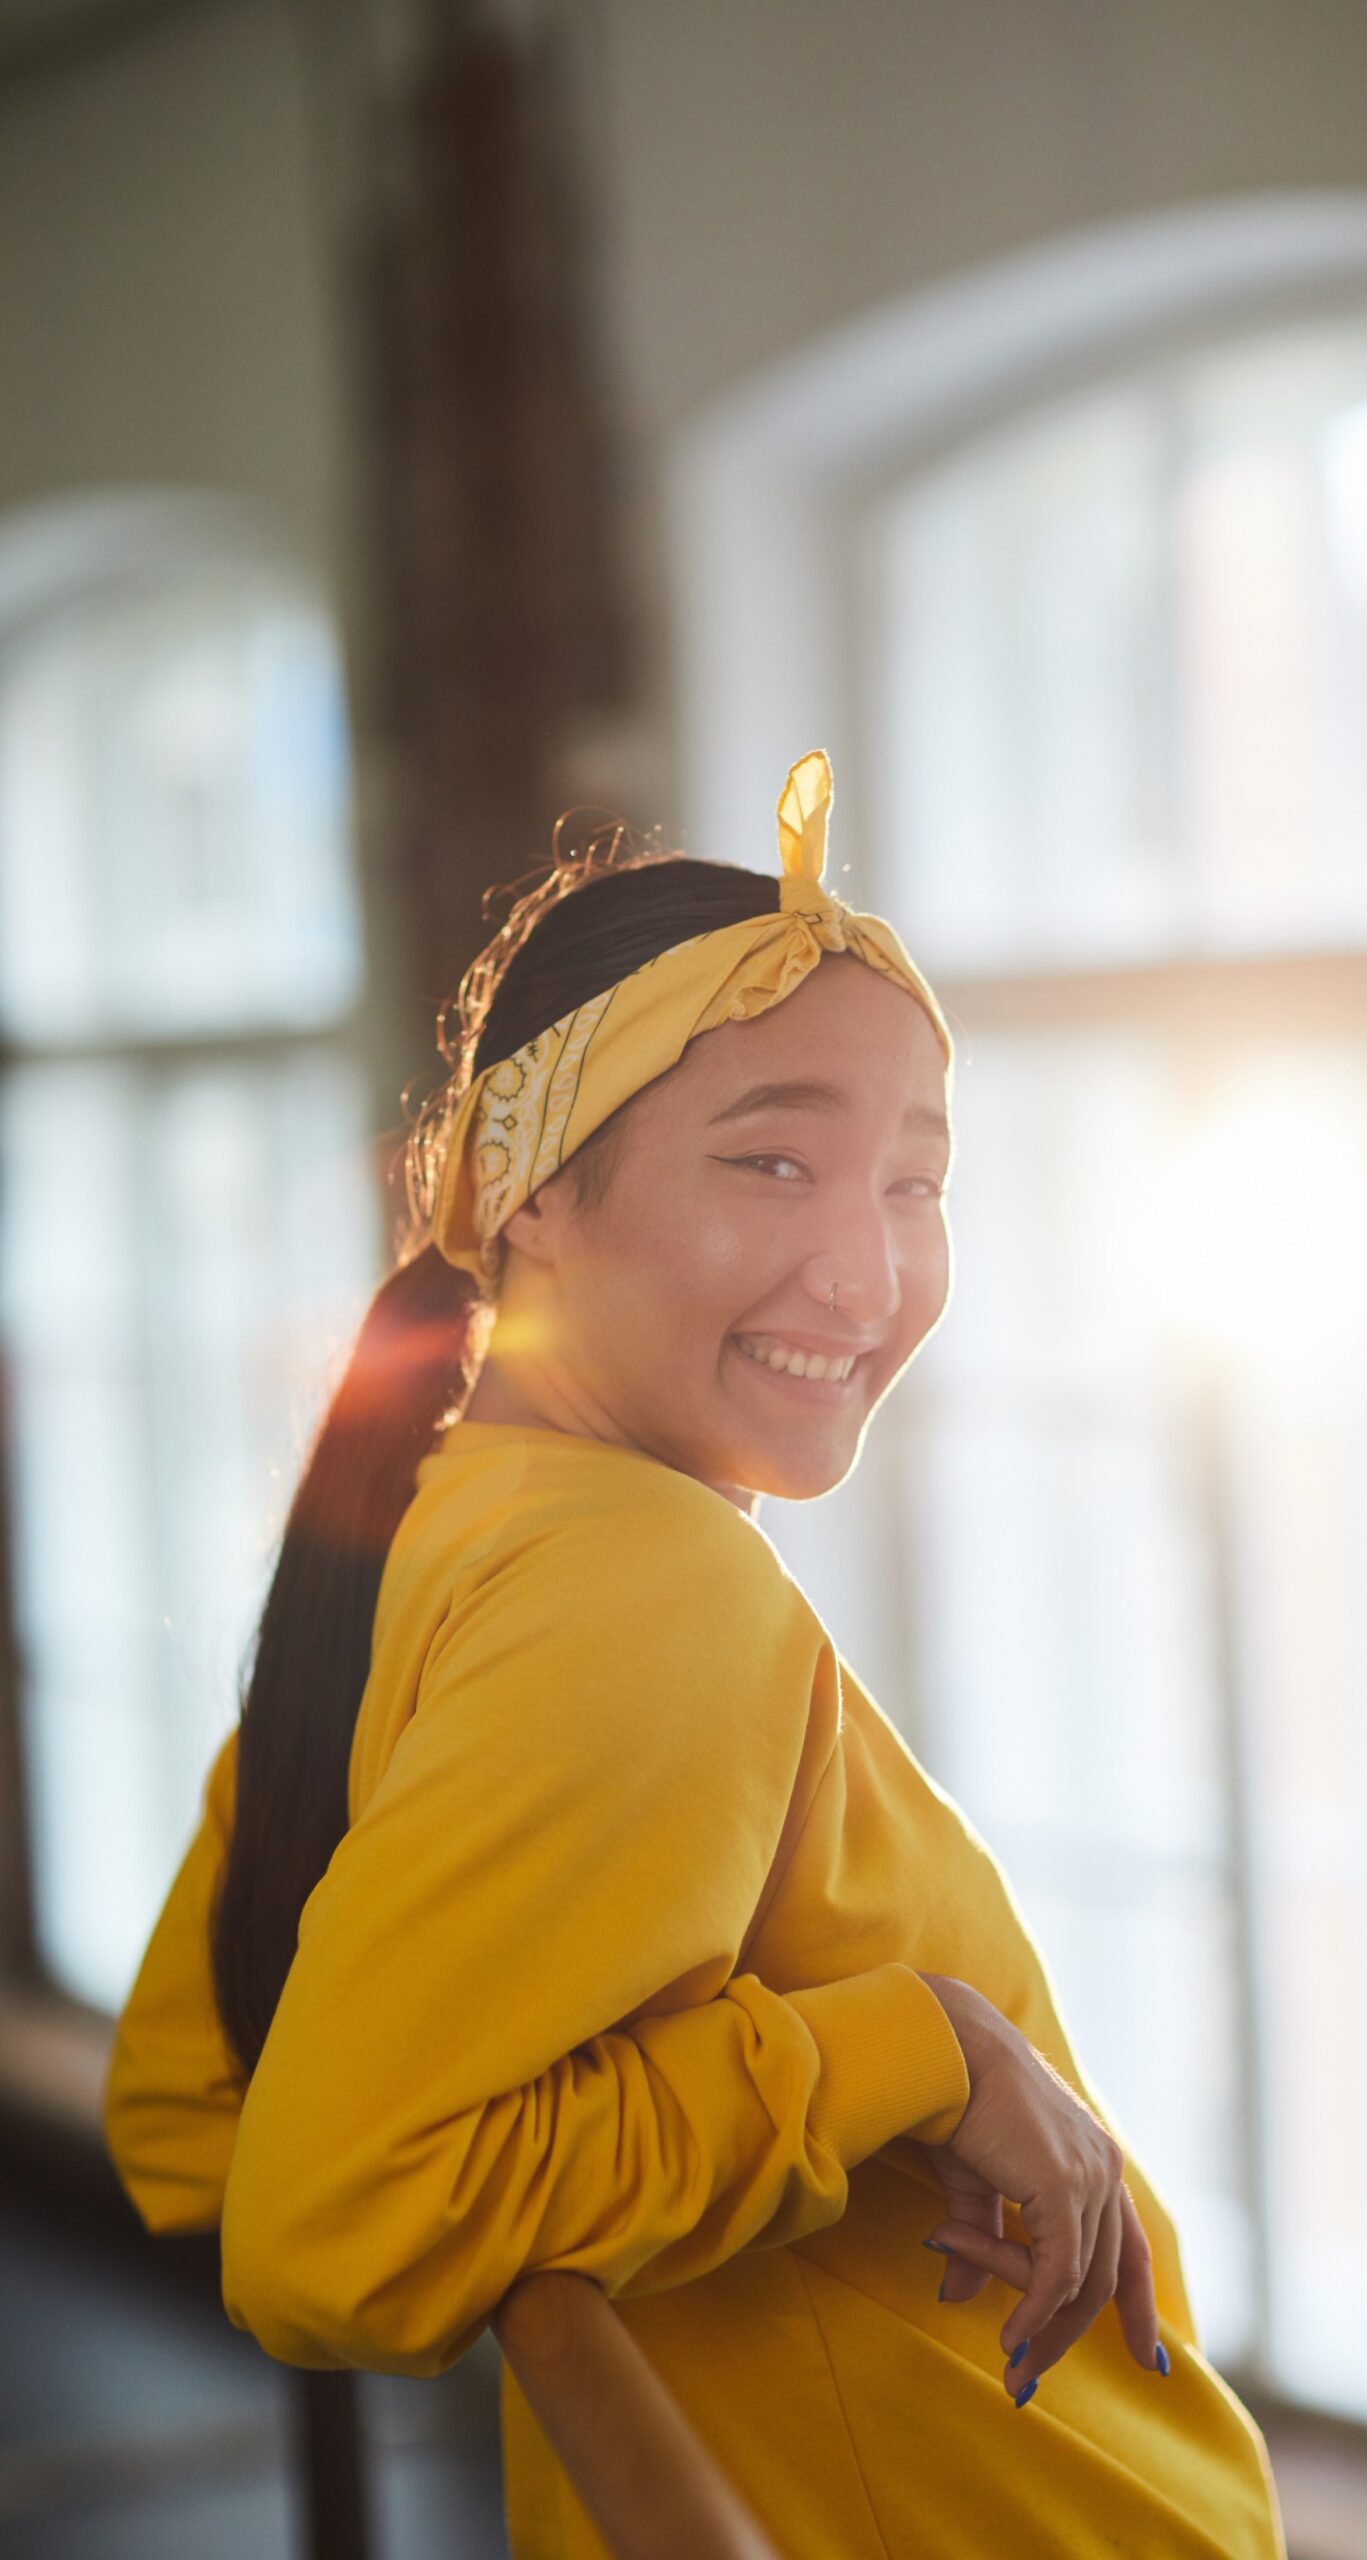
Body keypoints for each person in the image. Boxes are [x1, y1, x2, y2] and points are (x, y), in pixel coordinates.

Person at [102, 752, 1288, 2557]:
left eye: (914, 1181)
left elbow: (189, 2097)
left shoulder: (440, 1514)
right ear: (528, 1197)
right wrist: (924, 2059)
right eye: (775, 1162)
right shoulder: (645, 1584)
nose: (868, 1276)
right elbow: (325, 2221)